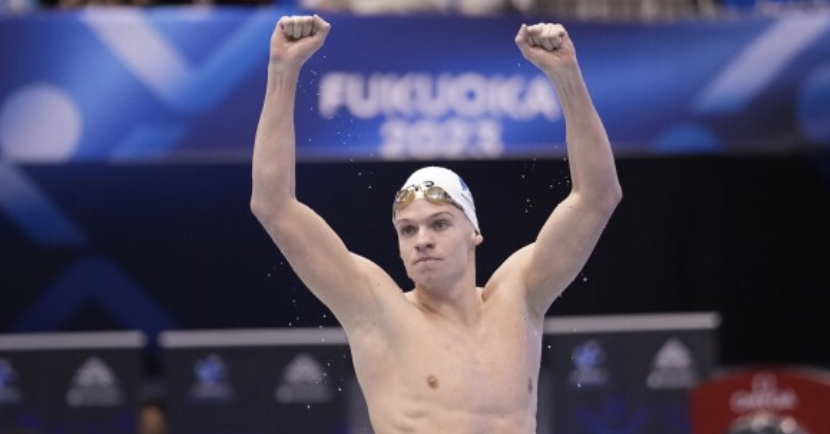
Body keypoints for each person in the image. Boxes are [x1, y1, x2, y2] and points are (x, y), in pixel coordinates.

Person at [251, 15, 621, 433]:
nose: (422, 240)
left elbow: (597, 197)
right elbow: (273, 205)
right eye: (407, 230)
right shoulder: (377, 311)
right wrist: (282, 71)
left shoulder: (520, 296)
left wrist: (566, 76)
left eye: (439, 224)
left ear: (474, 233)